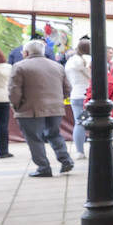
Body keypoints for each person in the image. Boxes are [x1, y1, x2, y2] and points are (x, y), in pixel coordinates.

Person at [8, 40, 75, 178]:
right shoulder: (57, 66)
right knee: (54, 134)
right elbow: (67, 89)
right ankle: (66, 160)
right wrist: (59, 101)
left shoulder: (19, 66)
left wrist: (16, 106)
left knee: (34, 138)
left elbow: (14, 91)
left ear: (26, 53)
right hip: (55, 108)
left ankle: (44, 167)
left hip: (30, 109)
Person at [85, 61, 113, 168]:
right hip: (107, 112)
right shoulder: (107, 79)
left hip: (107, 114)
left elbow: (100, 98)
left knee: (101, 137)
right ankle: (110, 159)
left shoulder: (107, 81)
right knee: (102, 137)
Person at [65, 37, 93, 159]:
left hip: (75, 95)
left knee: (79, 123)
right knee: (95, 123)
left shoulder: (70, 61)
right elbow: (91, 77)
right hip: (86, 95)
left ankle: (80, 151)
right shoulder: (85, 61)